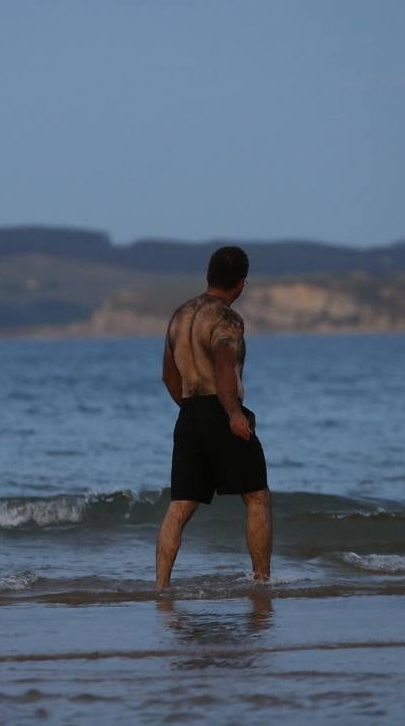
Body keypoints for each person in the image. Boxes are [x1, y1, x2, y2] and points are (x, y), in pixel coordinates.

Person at [156, 246, 271, 588]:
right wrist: (233, 414)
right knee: (257, 496)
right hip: (221, 410)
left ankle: (161, 586)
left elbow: (168, 375)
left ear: (209, 276)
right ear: (241, 283)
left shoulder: (180, 315)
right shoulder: (226, 319)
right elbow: (224, 365)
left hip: (189, 413)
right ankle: (262, 582)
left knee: (180, 507)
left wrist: (190, 411)